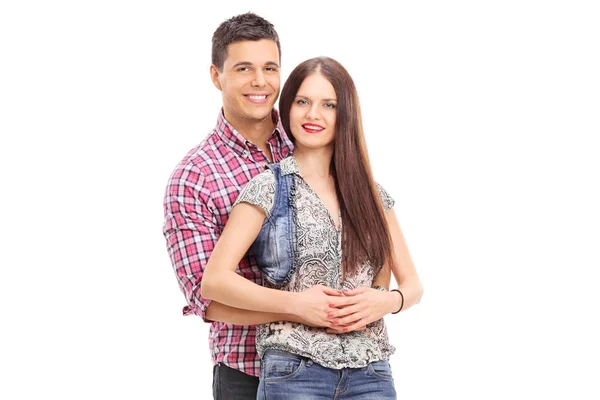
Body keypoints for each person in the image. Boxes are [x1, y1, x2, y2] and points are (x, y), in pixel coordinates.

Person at [163, 13, 382, 400]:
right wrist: (299, 309)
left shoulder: (312, 136)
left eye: (270, 68)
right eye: (244, 68)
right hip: (246, 371)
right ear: (216, 76)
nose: (260, 82)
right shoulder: (194, 177)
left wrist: (380, 300)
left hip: (346, 368)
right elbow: (207, 298)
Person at [201, 56, 424, 399]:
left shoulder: (373, 196)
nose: (313, 114)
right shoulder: (267, 187)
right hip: (295, 370)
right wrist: (296, 304)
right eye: (303, 102)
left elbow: (412, 286)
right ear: (287, 108)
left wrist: (387, 301)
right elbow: (215, 281)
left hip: (370, 371)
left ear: (345, 113)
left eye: (328, 105)